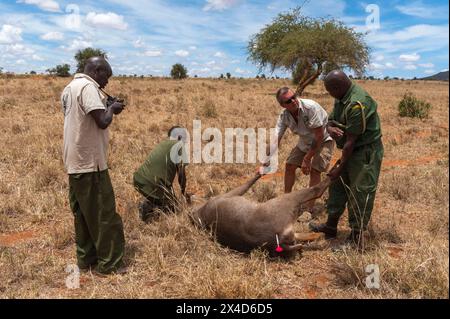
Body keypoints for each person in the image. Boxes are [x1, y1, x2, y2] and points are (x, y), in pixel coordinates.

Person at [61, 57, 126, 274]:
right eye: (106, 76)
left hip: (74, 161)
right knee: (103, 214)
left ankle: (86, 259)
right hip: (90, 163)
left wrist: (106, 106)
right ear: (96, 71)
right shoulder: (88, 87)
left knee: (82, 215)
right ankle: (109, 264)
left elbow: (85, 118)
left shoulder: (70, 87)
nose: (107, 81)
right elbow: (102, 121)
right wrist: (113, 109)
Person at [310, 70, 384, 247]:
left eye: (329, 91)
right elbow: (330, 120)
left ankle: (356, 237)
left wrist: (340, 166)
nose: (329, 94)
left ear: (337, 87)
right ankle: (330, 226)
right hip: (350, 150)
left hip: (364, 152)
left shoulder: (357, 104)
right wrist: (329, 128)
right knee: (337, 187)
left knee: (361, 191)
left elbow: (351, 141)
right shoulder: (341, 97)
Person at [265, 87, 334, 213]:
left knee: (315, 170)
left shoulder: (310, 107)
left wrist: (307, 159)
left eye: (294, 97)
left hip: (323, 140)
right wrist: (268, 159)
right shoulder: (284, 116)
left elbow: (318, 136)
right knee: (290, 165)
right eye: (288, 101)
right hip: (305, 142)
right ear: (282, 105)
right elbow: (276, 137)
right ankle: (286, 200)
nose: (293, 101)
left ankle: (309, 208)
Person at [133, 126, 190, 222]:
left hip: (138, 179)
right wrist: (183, 193)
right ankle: (146, 210)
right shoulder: (179, 145)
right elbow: (181, 175)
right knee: (175, 209)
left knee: (163, 200)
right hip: (153, 184)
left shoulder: (163, 143)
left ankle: (149, 206)